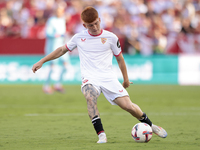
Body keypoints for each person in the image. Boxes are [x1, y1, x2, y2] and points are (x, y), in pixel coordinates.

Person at [32, 6, 167, 143]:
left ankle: (151, 126)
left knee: (128, 106)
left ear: (100, 20)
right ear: (84, 25)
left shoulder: (111, 37)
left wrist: (125, 80)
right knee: (90, 97)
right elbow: (61, 50)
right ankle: (101, 135)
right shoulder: (79, 37)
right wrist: (42, 61)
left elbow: (120, 59)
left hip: (108, 78)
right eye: (90, 25)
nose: (95, 27)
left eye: (96, 23)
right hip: (90, 78)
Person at [43, 3, 71, 94]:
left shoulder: (62, 20)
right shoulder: (51, 20)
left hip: (62, 47)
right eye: (58, 11)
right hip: (53, 47)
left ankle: (58, 84)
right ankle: (46, 86)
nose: (60, 12)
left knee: (66, 66)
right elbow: (48, 33)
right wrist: (58, 35)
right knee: (53, 67)